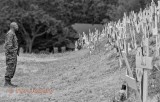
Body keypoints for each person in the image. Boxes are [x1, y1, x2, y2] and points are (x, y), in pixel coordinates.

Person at [3, 22, 19, 87]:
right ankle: (6, 83)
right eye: (16, 25)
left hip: (13, 54)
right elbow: (9, 45)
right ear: (13, 26)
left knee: (12, 67)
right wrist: (12, 53)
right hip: (11, 54)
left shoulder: (13, 33)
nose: (18, 26)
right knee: (10, 67)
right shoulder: (10, 33)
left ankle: (9, 82)